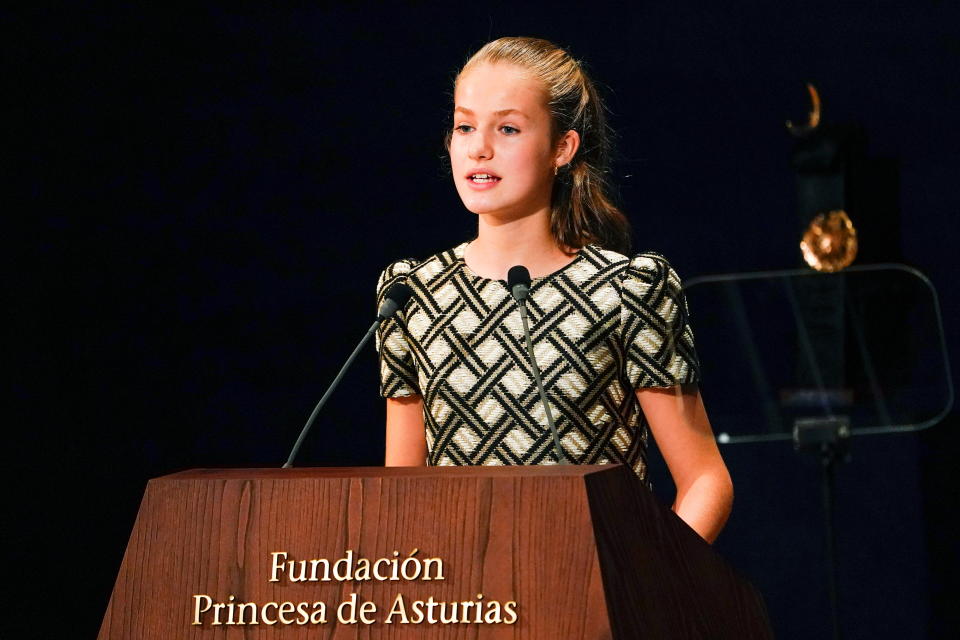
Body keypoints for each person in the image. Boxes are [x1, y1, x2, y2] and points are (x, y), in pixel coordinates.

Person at [375, 37, 732, 543]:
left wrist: (648, 588)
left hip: (594, 599)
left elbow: (704, 480)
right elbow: (402, 493)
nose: (479, 146)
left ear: (561, 148)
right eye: (464, 126)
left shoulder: (627, 291)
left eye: (508, 128)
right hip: (465, 607)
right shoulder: (413, 293)